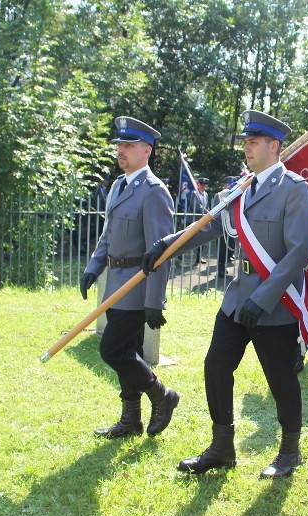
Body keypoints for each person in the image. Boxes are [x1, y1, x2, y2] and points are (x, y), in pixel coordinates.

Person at [141, 110, 308, 479]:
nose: (247, 148)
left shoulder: (294, 189)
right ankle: (222, 448)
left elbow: (299, 252)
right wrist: (167, 245)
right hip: (238, 299)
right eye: (246, 142)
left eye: (253, 142)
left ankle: (290, 451)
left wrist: (264, 298)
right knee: (216, 366)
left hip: (274, 303)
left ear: (274, 146)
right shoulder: (239, 189)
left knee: (280, 378)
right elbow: (208, 229)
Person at [79, 116, 180, 439]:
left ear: (147, 151)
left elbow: (160, 252)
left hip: (136, 286)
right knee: (129, 352)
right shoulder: (119, 186)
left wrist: (154, 301)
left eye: (129, 145)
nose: (121, 151)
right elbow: (108, 237)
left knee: (112, 350)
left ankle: (163, 395)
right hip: (114, 284)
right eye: (120, 145)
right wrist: (93, 269)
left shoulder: (154, 192)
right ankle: (130, 419)